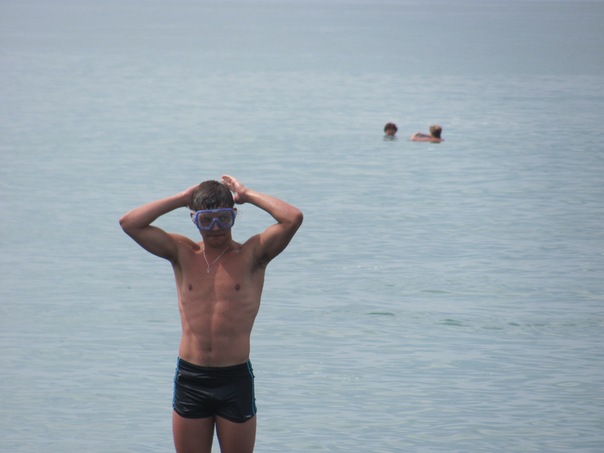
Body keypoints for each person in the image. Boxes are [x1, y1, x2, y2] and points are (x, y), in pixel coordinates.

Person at [119, 175, 303, 453]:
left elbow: (292, 218)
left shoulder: (252, 255)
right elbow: (129, 223)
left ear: (234, 216)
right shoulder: (182, 253)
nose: (216, 228)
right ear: (194, 219)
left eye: (224, 219)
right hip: (191, 378)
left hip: (234, 379)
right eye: (206, 220)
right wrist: (182, 198)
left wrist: (246, 194)